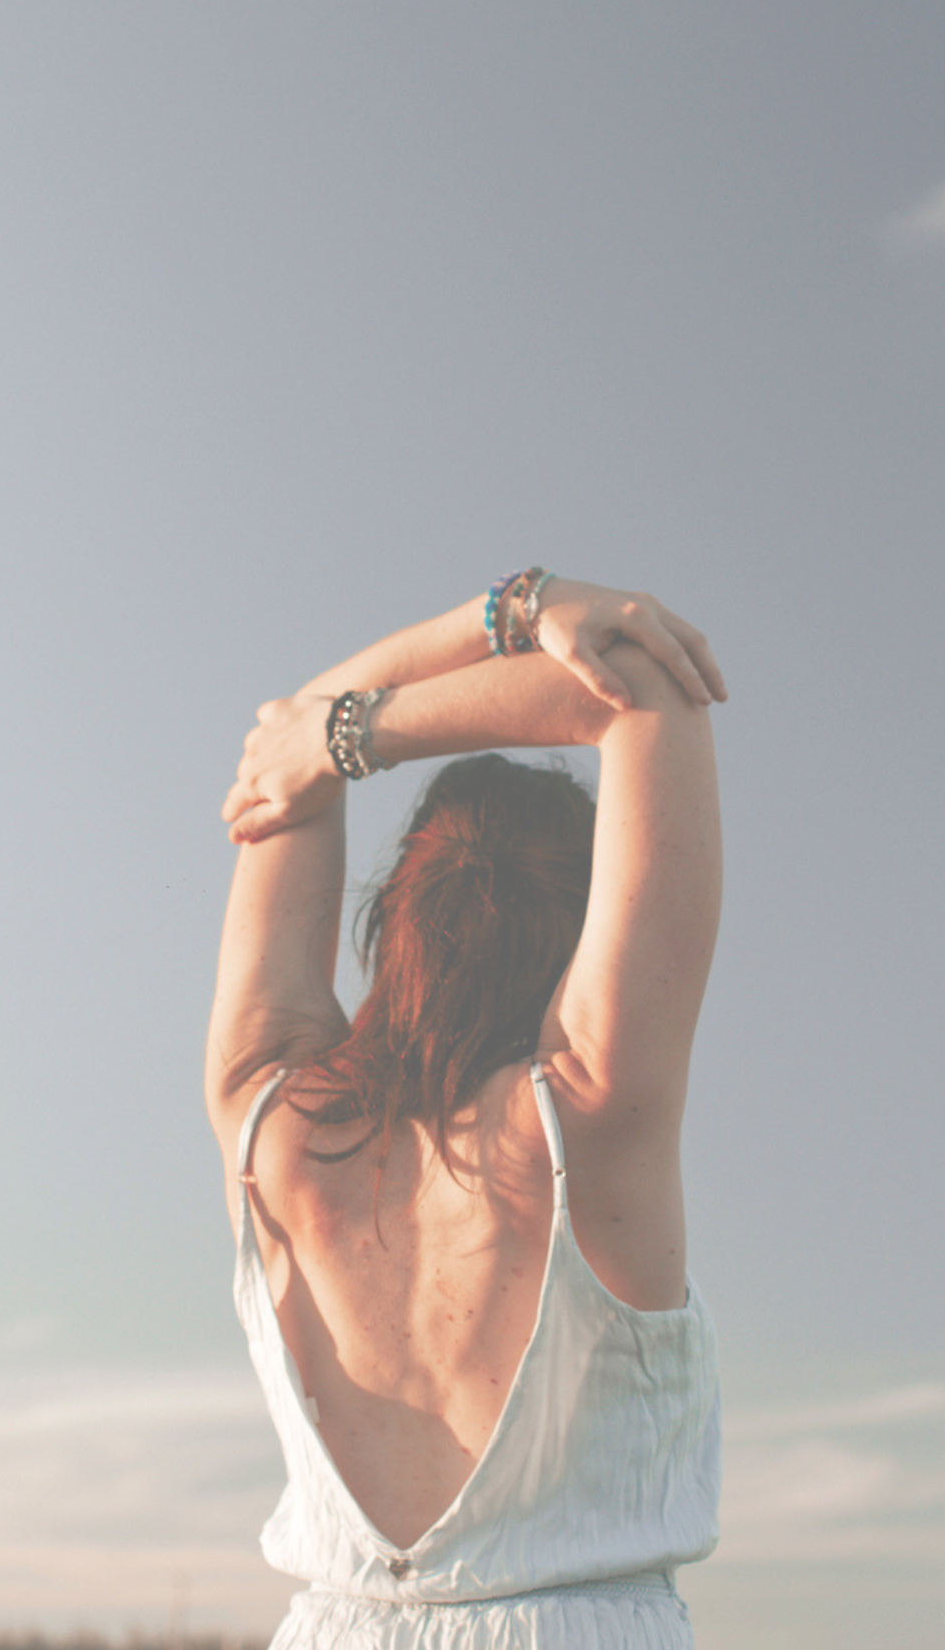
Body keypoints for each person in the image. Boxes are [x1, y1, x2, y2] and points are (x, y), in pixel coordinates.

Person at [206, 571, 727, 1649]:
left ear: (392, 916)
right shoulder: (594, 1106)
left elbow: (286, 739)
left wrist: (511, 612)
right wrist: (349, 731)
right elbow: (643, 692)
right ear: (586, 929)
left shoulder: (269, 1121)